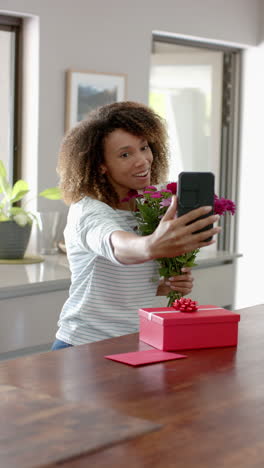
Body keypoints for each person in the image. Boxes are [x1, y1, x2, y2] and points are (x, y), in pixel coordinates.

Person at [51, 101, 220, 350]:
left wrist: (166, 285)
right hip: (84, 346)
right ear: (101, 165)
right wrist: (151, 245)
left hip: (136, 342)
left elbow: (127, 286)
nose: (143, 160)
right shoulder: (88, 212)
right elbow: (118, 245)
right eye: (125, 154)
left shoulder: (148, 206)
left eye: (144, 147)